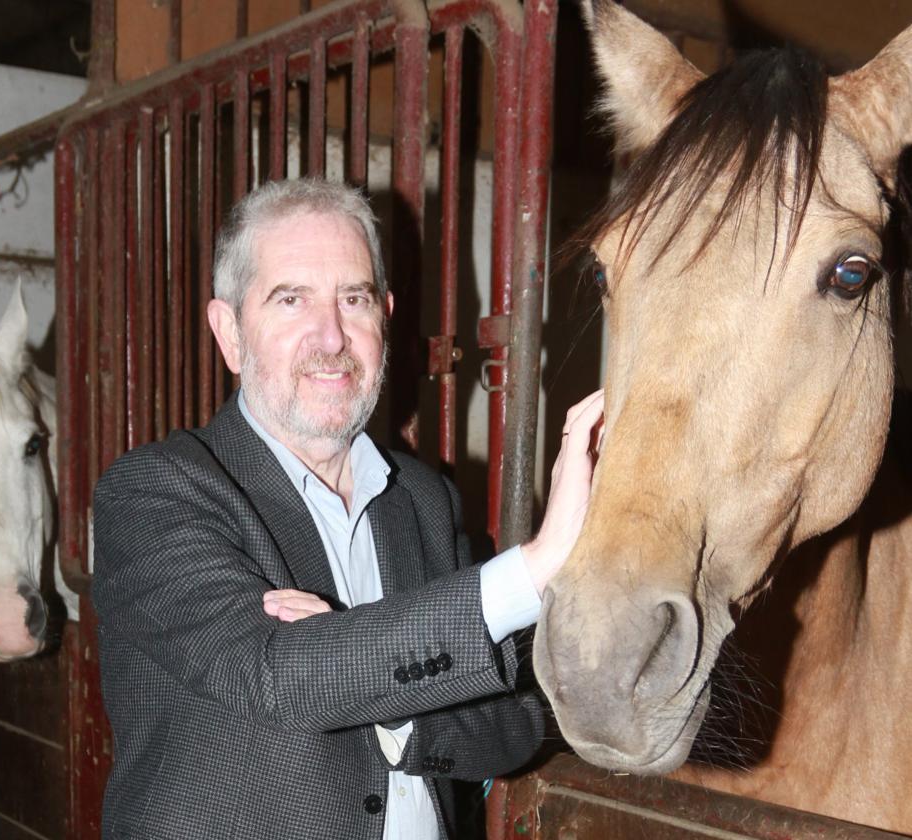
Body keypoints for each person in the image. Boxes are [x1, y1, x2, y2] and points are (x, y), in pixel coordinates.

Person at [92, 178, 604, 840]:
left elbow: (517, 721)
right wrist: (533, 571)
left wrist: (396, 709)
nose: (331, 337)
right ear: (229, 331)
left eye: (354, 299)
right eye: (291, 299)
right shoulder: (153, 493)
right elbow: (276, 674)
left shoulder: (424, 500)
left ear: (384, 317)